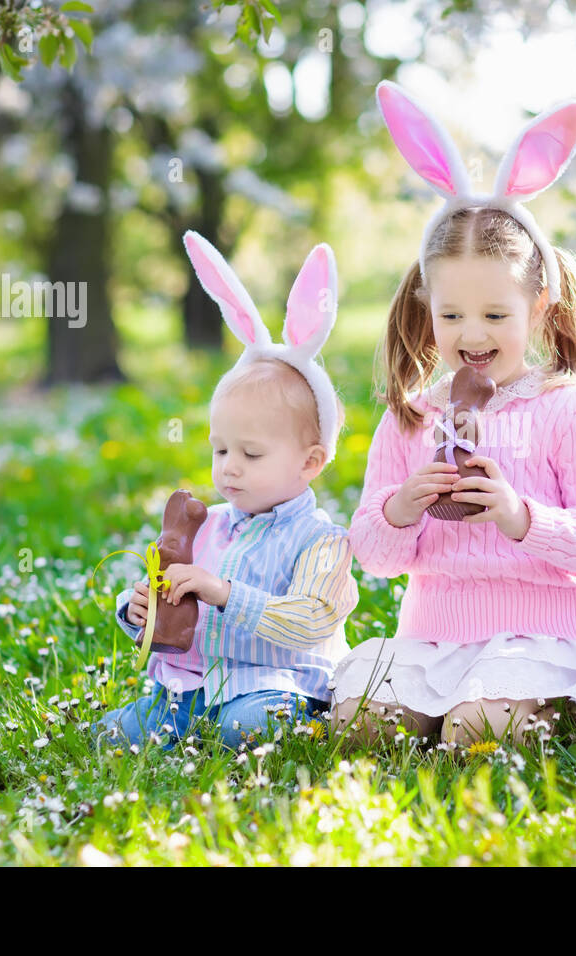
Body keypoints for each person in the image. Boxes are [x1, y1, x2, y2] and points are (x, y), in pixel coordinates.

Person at [328, 81, 576, 748]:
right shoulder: (411, 417)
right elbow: (374, 556)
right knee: (358, 726)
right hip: (432, 634)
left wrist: (520, 517)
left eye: (495, 315)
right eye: (452, 314)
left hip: (539, 636)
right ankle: (441, 707)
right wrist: (402, 507)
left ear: (541, 305)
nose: (472, 333)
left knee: (476, 733)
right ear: (426, 304)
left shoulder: (565, 410)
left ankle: (565, 704)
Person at [94, 240, 357, 751]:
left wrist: (224, 593)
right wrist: (137, 609)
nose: (229, 468)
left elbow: (310, 619)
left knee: (249, 727)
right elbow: (167, 612)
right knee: (112, 736)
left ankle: (257, 727)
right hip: (192, 686)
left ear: (311, 461)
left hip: (276, 685)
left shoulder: (322, 541)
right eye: (219, 450)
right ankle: (184, 724)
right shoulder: (205, 523)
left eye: (251, 455)